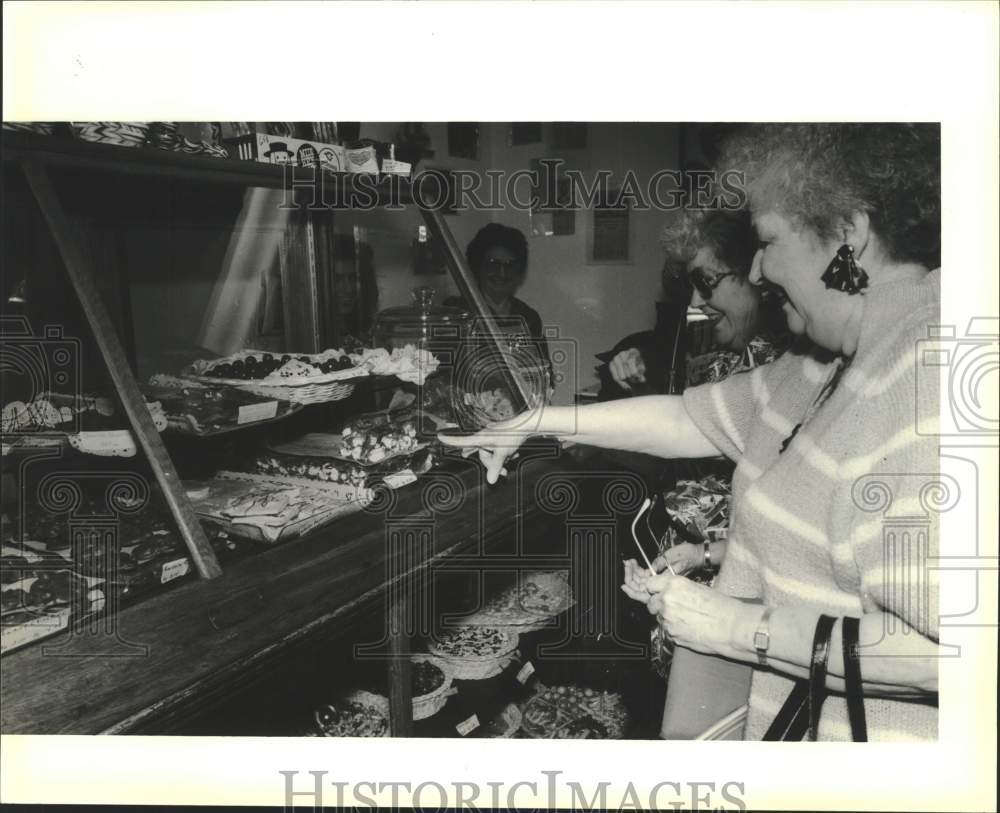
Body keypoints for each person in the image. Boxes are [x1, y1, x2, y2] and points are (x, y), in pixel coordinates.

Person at [439, 123, 941, 741]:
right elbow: (685, 417)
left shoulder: (929, 364)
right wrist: (537, 420)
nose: (757, 269)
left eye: (769, 240)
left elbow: (941, 652)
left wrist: (729, 624)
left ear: (847, 235)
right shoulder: (822, 363)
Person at [445, 223, 549, 365]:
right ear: (478, 266)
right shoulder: (458, 312)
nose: (501, 273)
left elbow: (546, 374)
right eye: (493, 264)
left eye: (509, 265)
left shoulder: (529, 317)